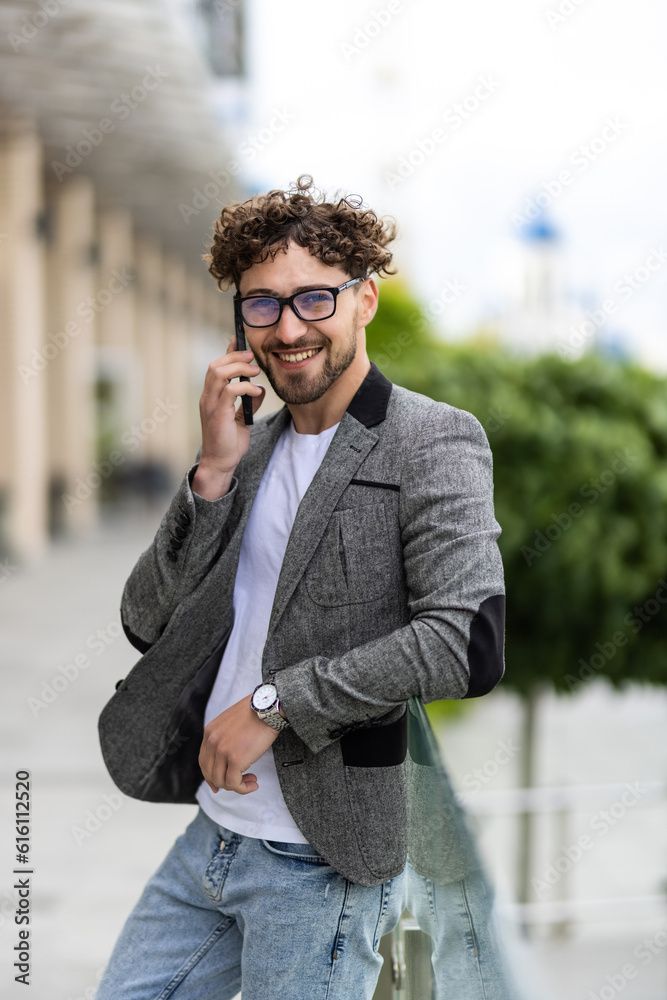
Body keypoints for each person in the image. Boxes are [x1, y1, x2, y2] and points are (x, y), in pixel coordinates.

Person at [96, 175, 506, 1000]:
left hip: (320, 857)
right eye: (261, 304)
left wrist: (274, 705)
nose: (287, 328)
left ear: (366, 302)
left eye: (313, 299)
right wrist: (210, 472)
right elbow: (146, 621)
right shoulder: (247, 450)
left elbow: (467, 640)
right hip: (213, 836)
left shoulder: (431, 441)